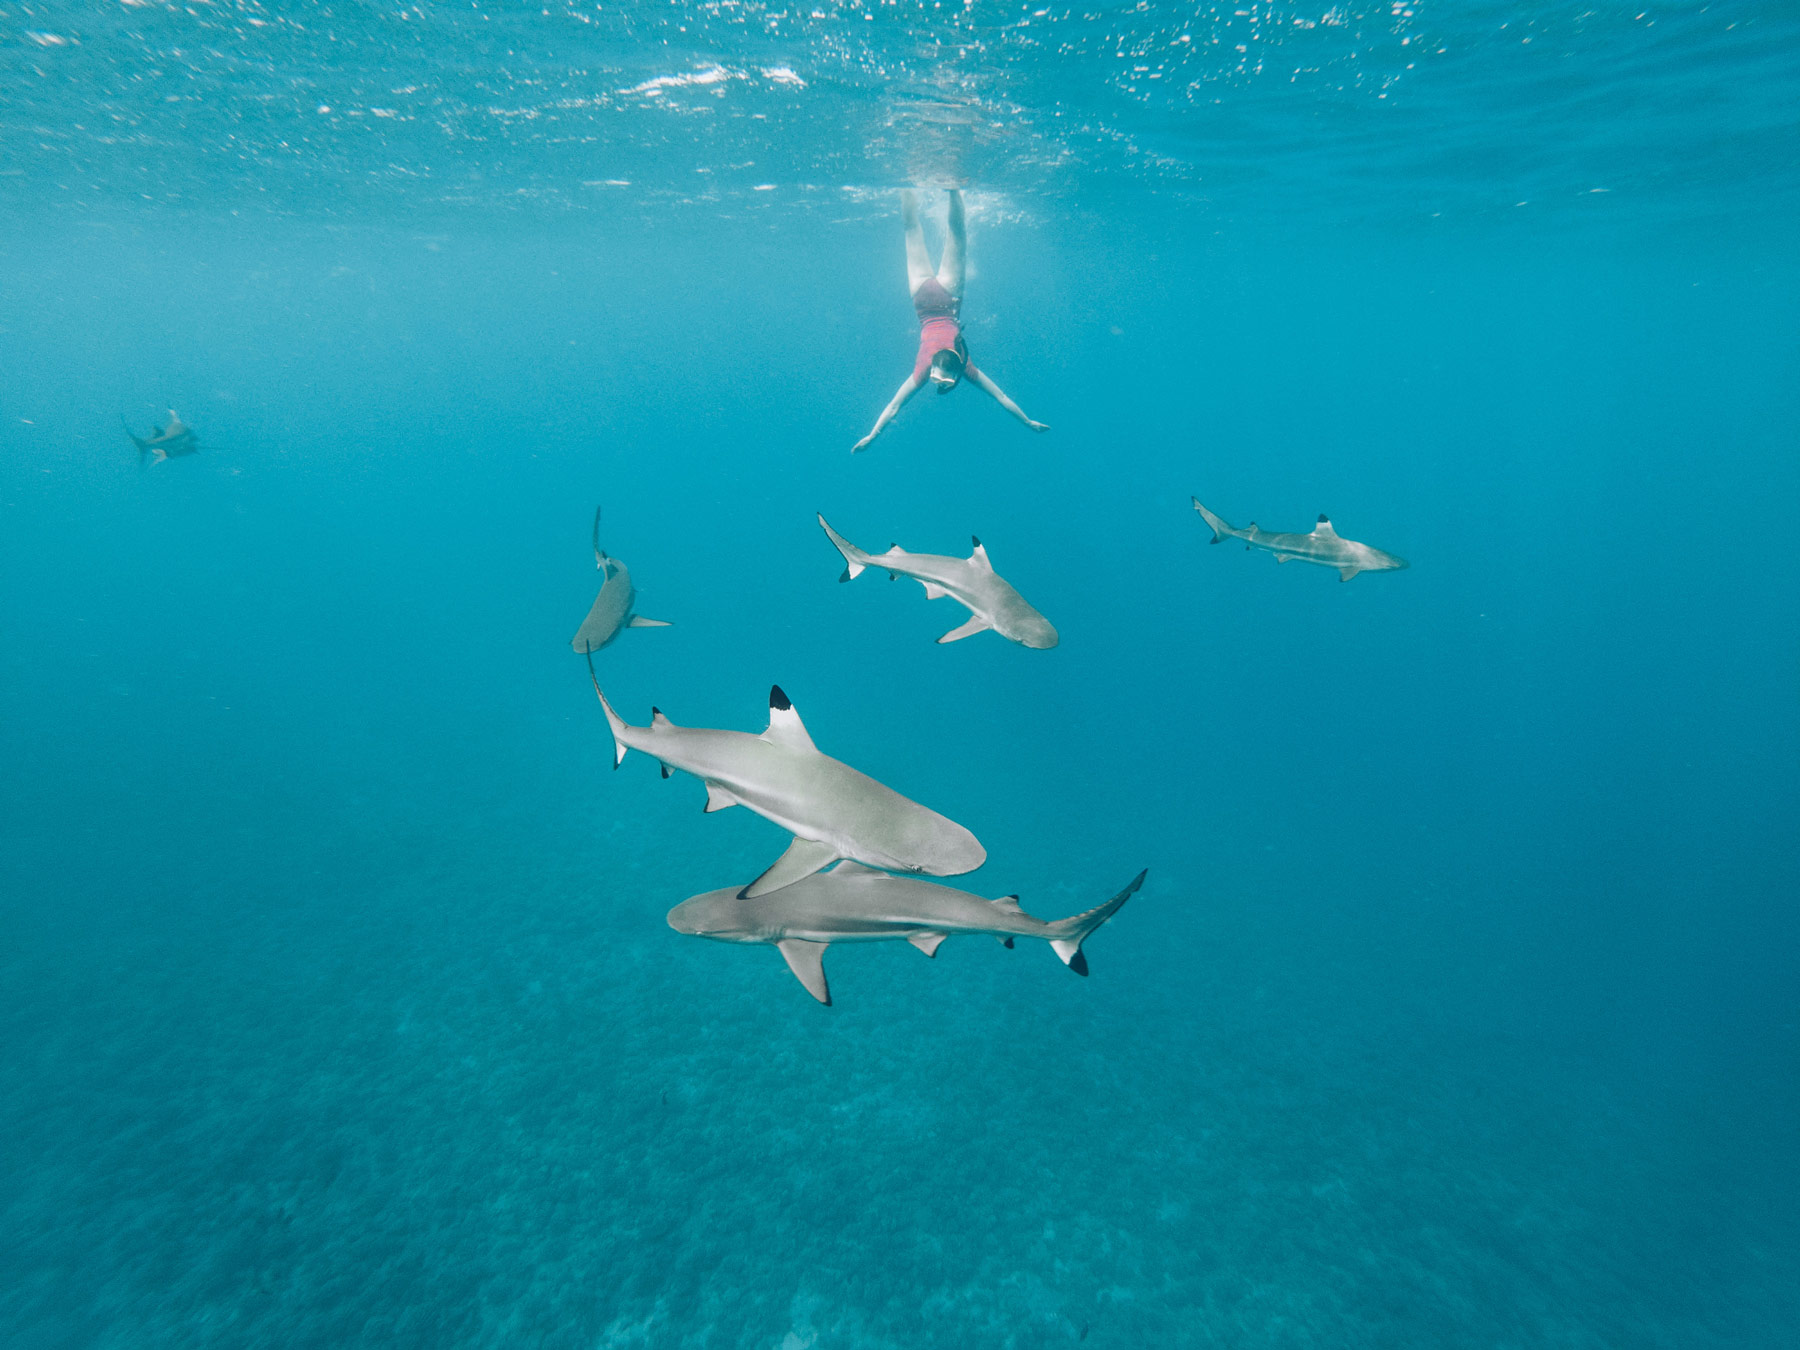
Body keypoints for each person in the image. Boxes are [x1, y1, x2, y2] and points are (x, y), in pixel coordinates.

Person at [852, 188, 1049, 453]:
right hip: (931, 295)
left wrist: (873, 435)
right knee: (935, 230)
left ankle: (929, 186)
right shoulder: (959, 368)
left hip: (934, 297)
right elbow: (999, 396)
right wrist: (1026, 422)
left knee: (940, 232)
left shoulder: (948, 366)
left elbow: (895, 405)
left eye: (936, 380)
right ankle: (936, 186)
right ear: (954, 373)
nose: (935, 383)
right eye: (942, 382)